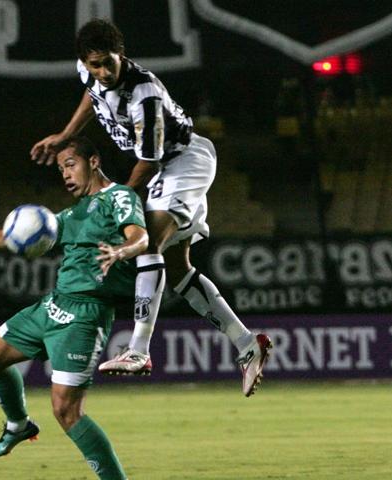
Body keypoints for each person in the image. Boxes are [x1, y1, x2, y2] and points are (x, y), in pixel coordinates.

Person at [30, 19, 272, 397]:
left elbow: (150, 162)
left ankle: (138, 350)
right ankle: (246, 345)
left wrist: (116, 200)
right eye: (94, 65)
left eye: (108, 63)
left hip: (182, 162)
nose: (102, 72)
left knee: (148, 243)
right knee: (177, 270)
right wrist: (66, 136)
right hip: (170, 167)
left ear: (121, 54)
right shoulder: (90, 73)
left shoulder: (145, 95)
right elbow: (92, 96)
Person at [0, 136, 147, 479]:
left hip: (85, 316)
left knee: (66, 411)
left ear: (94, 161)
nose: (66, 175)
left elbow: (139, 236)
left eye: (70, 164)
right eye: (61, 169)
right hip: (54, 305)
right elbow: (12, 235)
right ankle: (18, 424)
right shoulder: (73, 213)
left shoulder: (118, 197)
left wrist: (122, 251)